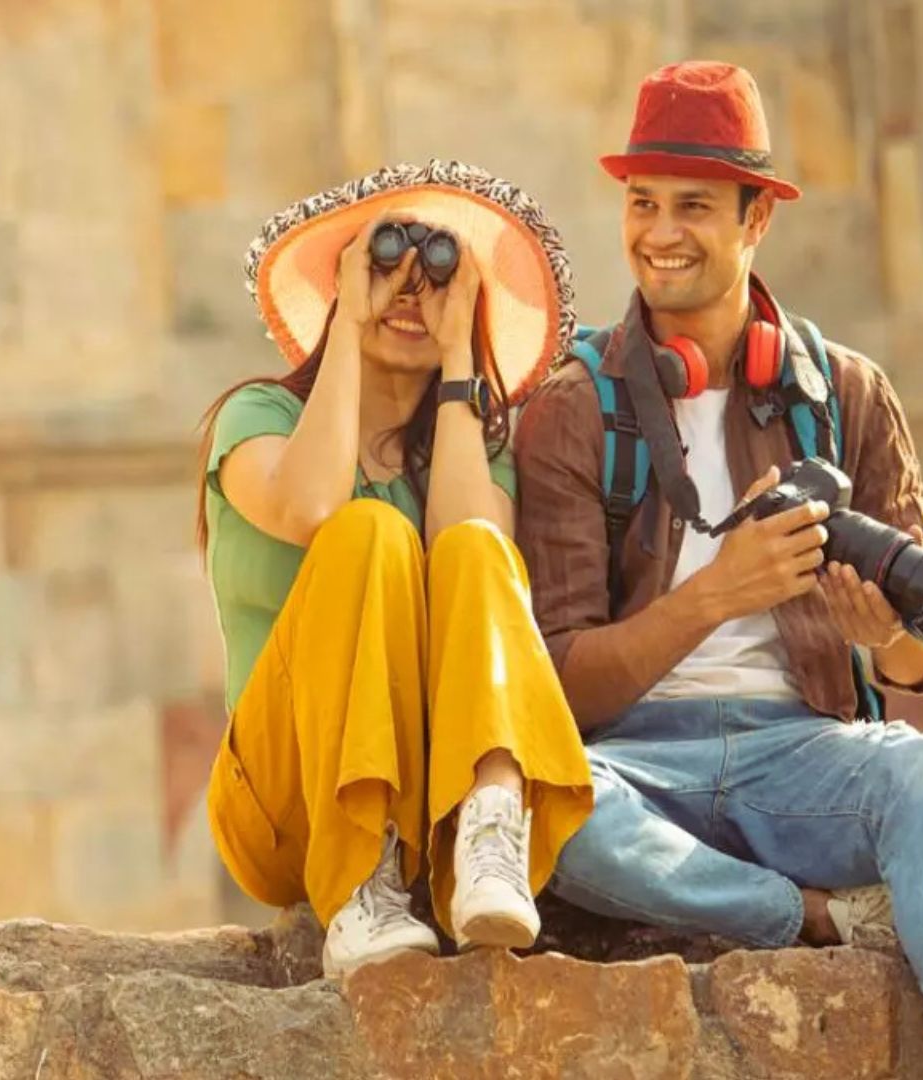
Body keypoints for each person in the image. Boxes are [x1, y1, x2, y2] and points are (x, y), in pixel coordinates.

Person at [513, 62, 923, 1079]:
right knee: (540, 807)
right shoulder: (573, 406)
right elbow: (561, 684)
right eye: (642, 203)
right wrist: (719, 593)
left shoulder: (845, 391)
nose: (660, 231)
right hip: (636, 768)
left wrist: (890, 642)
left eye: (693, 207)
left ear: (757, 222)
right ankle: (813, 916)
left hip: (805, 754)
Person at [198, 161, 593, 978]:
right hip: (280, 809)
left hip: (427, 811)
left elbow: (467, 549)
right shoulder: (258, 418)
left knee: (479, 546)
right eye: (386, 268)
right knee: (367, 532)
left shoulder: (475, 452)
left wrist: (459, 363)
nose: (409, 295)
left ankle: (489, 828)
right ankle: (357, 882)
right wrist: (346, 322)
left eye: (436, 276)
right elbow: (312, 508)